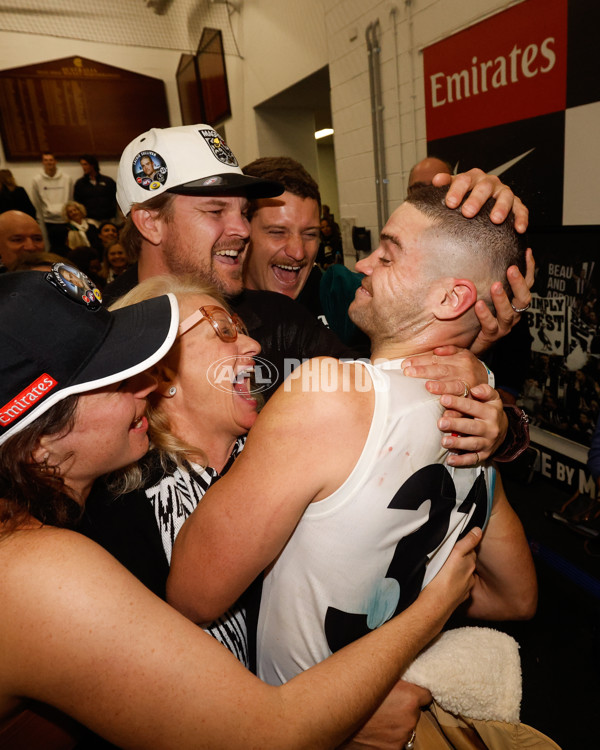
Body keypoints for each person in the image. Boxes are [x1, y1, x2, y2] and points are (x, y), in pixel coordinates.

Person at [0, 263, 481, 749]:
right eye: (114, 376)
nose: (142, 383)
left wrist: (480, 387)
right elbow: (266, 731)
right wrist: (431, 611)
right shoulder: (55, 556)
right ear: (40, 441)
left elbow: (378, 398)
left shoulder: (275, 451)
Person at [166, 186, 537, 694]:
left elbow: (193, 593)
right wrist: (425, 603)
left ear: (451, 298)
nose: (363, 263)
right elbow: (516, 597)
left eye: (388, 254)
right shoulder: (477, 418)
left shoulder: (331, 395)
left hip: (296, 718)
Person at [408, 156, 533, 404]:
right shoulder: (387, 266)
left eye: (436, 189)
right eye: (418, 190)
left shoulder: (477, 254)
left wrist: (502, 409)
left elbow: (514, 338)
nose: (426, 197)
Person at [31, 151, 73, 254]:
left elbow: (71, 198)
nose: (49, 162)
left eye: (51, 160)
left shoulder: (67, 179)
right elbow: (37, 202)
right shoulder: (37, 180)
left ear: (55, 161)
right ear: (42, 162)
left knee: (67, 247)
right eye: (46, 160)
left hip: (65, 220)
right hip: (48, 221)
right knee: (53, 249)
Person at [73, 154, 118, 224]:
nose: (83, 167)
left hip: (108, 218)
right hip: (89, 219)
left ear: (92, 165)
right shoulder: (80, 184)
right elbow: (77, 202)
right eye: (82, 165)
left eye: (85, 164)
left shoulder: (108, 181)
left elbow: (116, 197)